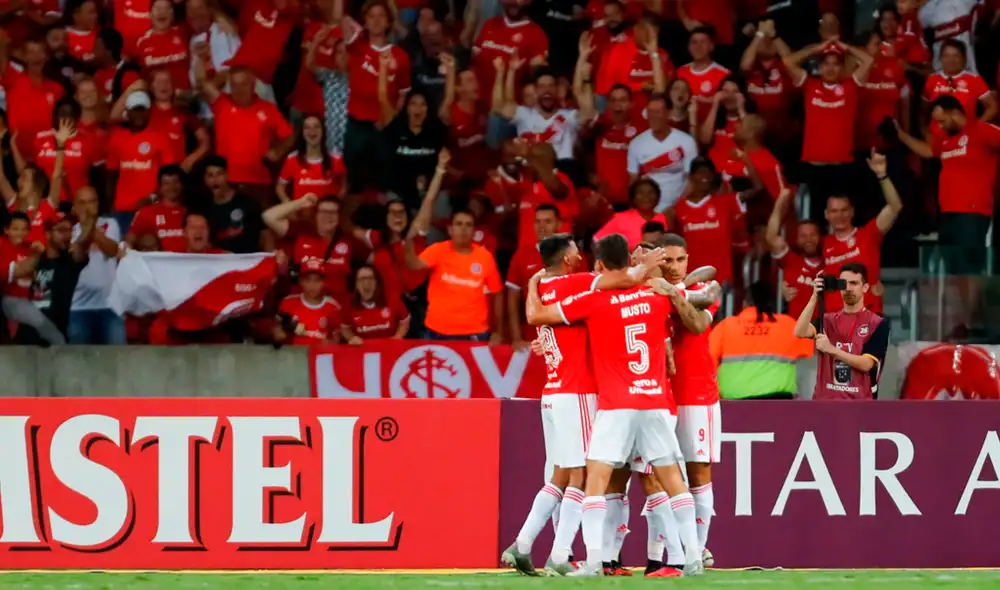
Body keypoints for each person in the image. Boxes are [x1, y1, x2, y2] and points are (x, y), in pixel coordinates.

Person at [525, 233, 703, 577]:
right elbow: (696, 321)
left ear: (602, 266)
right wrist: (672, 290)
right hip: (654, 401)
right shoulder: (656, 295)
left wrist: (535, 287)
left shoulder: (594, 300)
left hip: (616, 405)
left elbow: (538, 316)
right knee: (671, 479)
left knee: (596, 479)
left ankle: (594, 561)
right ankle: (692, 556)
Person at [648, 233, 722, 567]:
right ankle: (663, 555)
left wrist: (672, 294)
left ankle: (699, 550)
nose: (675, 267)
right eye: (668, 261)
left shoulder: (707, 291)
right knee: (656, 477)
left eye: (680, 260)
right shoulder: (646, 291)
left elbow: (695, 325)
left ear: (688, 260)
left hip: (697, 394)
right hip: (656, 395)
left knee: (698, 472)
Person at [403, 202, 502, 342]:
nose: (463, 229)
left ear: (474, 231)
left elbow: (497, 294)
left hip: (474, 334)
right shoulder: (438, 250)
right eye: (459, 224)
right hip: (436, 333)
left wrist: (497, 331)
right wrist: (409, 240)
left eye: (468, 225)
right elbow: (412, 265)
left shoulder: (485, 257)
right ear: (450, 229)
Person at [819, 150, 903, 315]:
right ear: (826, 215)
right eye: (834, 211)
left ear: (852, 212)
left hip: (867, 315)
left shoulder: (869, 234)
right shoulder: (821, 243)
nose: (840, 215)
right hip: (834, 319)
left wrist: (882, 175)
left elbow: (895, 207)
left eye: (844, 210)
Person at [794, 262, 890, 400]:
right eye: (844, 283)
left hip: (859, 404)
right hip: (825, 402)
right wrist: (814, 296)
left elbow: (866, 364)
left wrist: (831, 350)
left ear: (865, 287)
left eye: (854, 283)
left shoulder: (877, 323)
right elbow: (799, 331)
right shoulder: (827, 320)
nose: (848, 288)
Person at [709, 280, 812, 400]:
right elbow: (810, 351)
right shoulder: (788, 325)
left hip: (734, 405)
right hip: (779, 404)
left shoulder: (725, 326)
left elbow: (707, 362)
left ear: (744, 303)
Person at [18, 209, 93, 343]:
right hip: (29, 335)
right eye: (61, 230)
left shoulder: (71, 261)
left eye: (69, 230)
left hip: (57, 335)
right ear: (47, 234)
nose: (67, 235)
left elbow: (83, 244)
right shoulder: (36, 260)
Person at [105, 91, 176, 233]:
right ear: (128, 112)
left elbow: (169, 176)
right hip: (122, 209)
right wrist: (110, 205)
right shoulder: (116, 138)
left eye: (142, 110)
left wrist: (152, 198)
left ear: (149, 111)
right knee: (122, 250)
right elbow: (111, 174)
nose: (139, 115)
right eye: (135, 110)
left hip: (150, 208)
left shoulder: (160, 138)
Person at [67, 187, 126, 345]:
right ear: (74, 207)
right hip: (78, 308)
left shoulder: (110, 224)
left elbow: (112, 250)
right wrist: (86, 230)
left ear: (98, 204)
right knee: (79, 364)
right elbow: (77, 256)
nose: (87, 206)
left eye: (92, 201)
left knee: (118, 363)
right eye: (82, 202)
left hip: (111, 307)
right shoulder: (68, 230)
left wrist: (92, 229)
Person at [627, 94, 698, 211]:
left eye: (657, 112)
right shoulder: (636, 144)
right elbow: (633, 181)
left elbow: (691, 180)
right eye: (650, 112)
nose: (653, 116)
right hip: (647, 210)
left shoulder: (687, 142)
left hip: (678, 208)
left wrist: (675, 209)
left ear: (668, 114)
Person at [505, 204, 561, 350]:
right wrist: (516, 337)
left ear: (558, 224)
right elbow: (512, 299)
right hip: (532, 335)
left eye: (548, 221)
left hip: (566, 332)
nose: (542, 226)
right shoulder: (522, 255)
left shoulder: (573, 255)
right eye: (538, 221)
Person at [766, 188, 822, 319]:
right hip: (797, 330)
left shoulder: (832, 260)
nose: (808, 239)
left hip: (825, 331)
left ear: (820, 236)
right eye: (803, 235)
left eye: (812, 234)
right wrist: (780, 202)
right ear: (796, 239)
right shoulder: (791, 261)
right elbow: (771, 237)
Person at [202, 156, 265, 254]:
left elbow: (264, 234)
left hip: (247, 262)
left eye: (219, 174)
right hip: (219, 263)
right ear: (205, 179)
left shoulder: (247, 202)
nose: (215, 180)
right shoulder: (203, 208)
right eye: (210, 175)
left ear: (227, 176)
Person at [274, 260, 342, 346]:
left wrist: (330, 345)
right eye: (307, 280)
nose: (312, 285)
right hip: (292, 355)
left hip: (319, 356)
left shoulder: (333, 306)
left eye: (317, 280)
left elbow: (336, 336)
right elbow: (277, 330)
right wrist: (279, 334)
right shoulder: (288, 302)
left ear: (324, 282)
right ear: (301, 281)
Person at [341, 264, 410, 342]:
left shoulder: (391, 299)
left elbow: (405, 320)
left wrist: (398, 337)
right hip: (363, 351)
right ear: (356, 284)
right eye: (362, 279)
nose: (366, 282)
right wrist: (351, 338)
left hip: (390, 349)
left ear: (376, 282)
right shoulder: (349, 305)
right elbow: (344, 327)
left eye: (370, 278)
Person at [593, 178, 668, 250]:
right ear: (633, 199)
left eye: (650, 192)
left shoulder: (662, 218)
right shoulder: (620, 218)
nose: (646, 196)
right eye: (641, 192)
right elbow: (597, 240)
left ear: (657, 198)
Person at [127, 165, 187, 252]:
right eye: (166, 183)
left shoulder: (191, 212)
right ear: (159, 187)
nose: (172, 187)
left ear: (182, 185)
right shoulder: (147, 212)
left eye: (176, 182)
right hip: (158, 264)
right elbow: (130, 241)